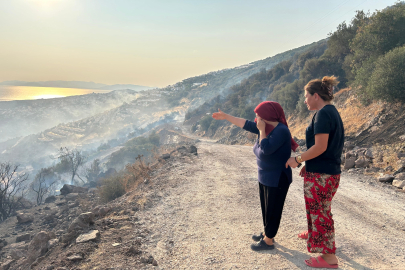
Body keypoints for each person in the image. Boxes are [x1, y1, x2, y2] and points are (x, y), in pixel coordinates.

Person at [212, 101, 298, 251]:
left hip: (277, 177)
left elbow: (265, 149)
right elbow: (244, 124)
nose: (255, 118)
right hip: (265, 175)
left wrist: (262, 131)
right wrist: (226, 116)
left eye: (258, 115)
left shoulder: (280, 131)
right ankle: (267, 233)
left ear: (266, 116)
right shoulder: (266, 127)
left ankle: (269, 241)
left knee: (273, 209)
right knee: (266, 208)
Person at [286, 76, 343, 269]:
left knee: (321, 213)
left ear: (316, 95)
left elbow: (320, 147)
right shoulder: (330, 111)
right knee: (318, 210)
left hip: (322, 175)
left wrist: (298, 159)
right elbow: (325, 149)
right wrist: (308, 166)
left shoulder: (323, 114)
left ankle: (329, 258)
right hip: (324, 171)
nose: (305, 100)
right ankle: (315, 237)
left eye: (306, 96)